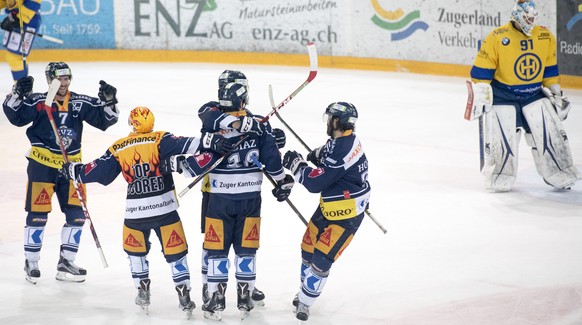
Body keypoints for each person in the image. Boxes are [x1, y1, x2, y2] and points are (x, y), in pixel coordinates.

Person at [59, 106, 235, 316]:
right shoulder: (161, 139)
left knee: (136, 255)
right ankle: (184, 295)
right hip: (165, 211)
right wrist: (212, 141)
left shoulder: (119, 147)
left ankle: (142, 291)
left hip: (135, 215)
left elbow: (98, 171)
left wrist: (73, 170)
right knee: (176, 255)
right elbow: (190, 144)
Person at [2, 61, 119, 284]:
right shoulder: (37, 101)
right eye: (59, 79)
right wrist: (16, 93)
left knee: (77, 216)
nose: (63, 83)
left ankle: (66, 261)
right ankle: (32, 262)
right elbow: (15, 117)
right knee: (38, 216)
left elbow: (106, 120)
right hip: (42, 166)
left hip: (71, 168)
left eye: (67, 78)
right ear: (50, 80)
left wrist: (108, 102)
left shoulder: (79, 102)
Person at [195, 82, 294, 320]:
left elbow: (199, 150)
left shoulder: (213, 127)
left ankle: (216, 300)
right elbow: (272, 160)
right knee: (246, 250)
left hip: (219, 200)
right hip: (250, 200)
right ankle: (244, 297)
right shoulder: (259, 124)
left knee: (217, 250)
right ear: (244, 100)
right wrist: (282, 181)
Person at [467, 0, 580, 191]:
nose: (530, 22)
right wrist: (482, 93)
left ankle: (560, 171)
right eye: (527, 18)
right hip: (503, 96)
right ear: (517, 16)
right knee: (503, 142)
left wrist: (556, 94)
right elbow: (481, 72)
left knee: (551, 133)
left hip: (533, 95)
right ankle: (499, 175)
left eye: (533, 18)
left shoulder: (544, 36)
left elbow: (549, 70)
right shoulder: (497, 37)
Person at [282, 102, 371, 321]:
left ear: (336, 122)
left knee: (321, 260)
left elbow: (315, 184)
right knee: (307, 248)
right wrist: (319, 154)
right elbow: (331, 153)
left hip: (346, 218)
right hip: (329, 208)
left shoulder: (342, 149)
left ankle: (305, 301)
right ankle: (305, 290)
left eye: (329, 119)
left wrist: (297, 165)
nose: (327, 122)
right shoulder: (342, 140)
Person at [1, 0, 42, 81]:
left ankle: (22, 89)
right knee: (12, 56)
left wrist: (19, 17)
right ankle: (22, 87)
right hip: (14, 16)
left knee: (15, 57)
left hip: (27, 20)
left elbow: (33, 2)